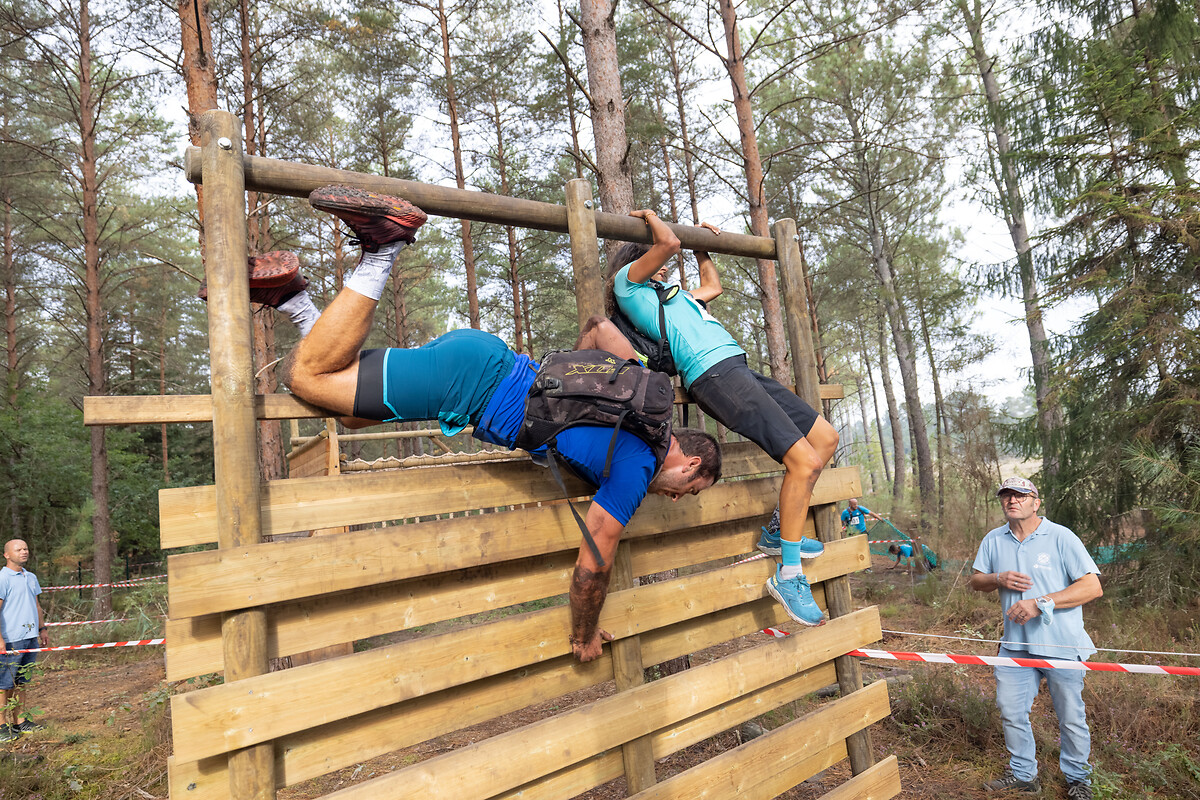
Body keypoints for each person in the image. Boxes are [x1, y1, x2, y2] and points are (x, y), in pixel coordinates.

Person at [237, 185, 722, 664]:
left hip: (488, 362)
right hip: (469, 383)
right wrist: (583, 635)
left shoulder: (640, 399)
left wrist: (572, 381)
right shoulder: (638, 467)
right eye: (689, 488)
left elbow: (597, 326)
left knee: (350, 412)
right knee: (307, 376)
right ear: (691, 460)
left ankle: (291, 298)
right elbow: (593, 566)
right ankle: (383, 248)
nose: (677, 497)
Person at [605, 212, 838, 628]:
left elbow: (713, 286)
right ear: (640, 258)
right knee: (805, 462)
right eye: (655, 260)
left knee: (825, 439)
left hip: (737, 367)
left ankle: (778, 531)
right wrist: (654, 218)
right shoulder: (628, 285)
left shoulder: (675, 295)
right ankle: (789, 575)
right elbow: (667, 245)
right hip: (712, 375)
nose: (664, 266)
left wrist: (702, 246)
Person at [970, 477, 1102, 799]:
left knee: (1070, 716)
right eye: (1006, 496)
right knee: (1011, 711)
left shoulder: (1060, 537)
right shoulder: (993, 540)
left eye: (1020, 495)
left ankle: (1078, 780)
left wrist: (1041, 602)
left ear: (1035, 502)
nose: (1012, 500)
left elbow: (1092, 587)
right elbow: (976, 581)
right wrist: (997, 577)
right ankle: (1023, 775)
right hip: (1014, 645)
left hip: (1061, 645)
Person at [0, 539, 48, 741]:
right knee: (4, 684)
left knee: (21, 682)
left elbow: (36, 605)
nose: (24, 552)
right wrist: (0, 639)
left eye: (26, 548)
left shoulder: (31, 577)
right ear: (7, 555)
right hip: (10, 639)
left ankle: (20, 722)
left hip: (30, 638)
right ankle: (2, 725)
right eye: (18, 549)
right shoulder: (3, 578)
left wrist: (42, 628)